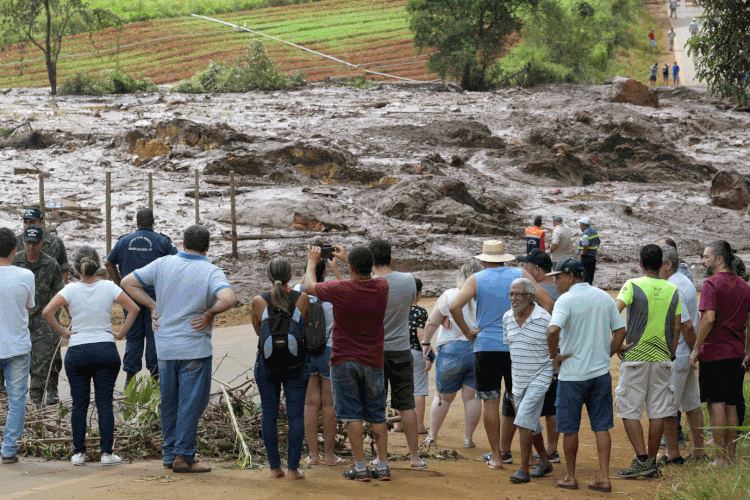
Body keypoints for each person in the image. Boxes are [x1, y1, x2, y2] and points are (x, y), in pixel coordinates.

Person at [121, 225, 236, 473]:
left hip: (165, 347)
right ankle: (184, 456)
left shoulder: (163, 264)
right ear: (207, 247)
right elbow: (228, 298)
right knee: (190, 404)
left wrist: (152, 306)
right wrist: (209, 312)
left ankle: (169, 452)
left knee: (170, 402)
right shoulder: (210, 271)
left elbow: (127, 282)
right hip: (194, 347)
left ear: (183, 244)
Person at [449, 240, 553, 470]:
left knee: (490, 403)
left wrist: (468, 332)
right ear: (505, 258)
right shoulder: (521, 274)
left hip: (486, 346)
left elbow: (454, 306)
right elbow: (547, 302)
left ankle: (497, 456)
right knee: (522, 403)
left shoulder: (476, 279)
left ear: (483, 260)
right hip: (517, 347)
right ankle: (534, 457)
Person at [42, 247, 140, 467]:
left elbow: (47, 311)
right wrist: (121, 333)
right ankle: (107, 453)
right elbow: (133, 308)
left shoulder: (70, 289)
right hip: (106, 349)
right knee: (105, 402)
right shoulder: (108, 286)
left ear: (76, 268)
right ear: (97, 265)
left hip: (78, 351)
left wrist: (63, 331)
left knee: (79, 404)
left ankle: (79, 453)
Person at [303, 245, 390, 482]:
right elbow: (370, 273)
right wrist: (346, 259)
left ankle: (360, 466)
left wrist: (312, 261)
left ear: (350, 268)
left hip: (343, 359)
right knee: (377, 414)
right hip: (373, 360)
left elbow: (309, 287)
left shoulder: (341, 289)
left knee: (352, 415)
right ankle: (383, 465)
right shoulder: (382, 286)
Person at [546, 258, 627, 493]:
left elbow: (552, 330)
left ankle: (570, 477)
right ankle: (603, 477)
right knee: (601, 426)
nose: (556, 281)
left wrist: (555, 356)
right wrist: (608, 352)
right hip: (599, 373)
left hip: (572, 376)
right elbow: (620, 330)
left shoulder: (565, 300)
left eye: (558, 277)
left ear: (571, 276)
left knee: (569, 428)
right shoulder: (603, 296)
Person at [615, 244, 682, 479]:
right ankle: (650, 461)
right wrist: (671, 353)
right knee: (657, 411)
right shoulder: (673, 290)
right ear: (660, 263)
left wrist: (618, 343)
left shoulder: (632, 285)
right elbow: (677, 327)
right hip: (663, 358)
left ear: (641, 263)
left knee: (629, 410)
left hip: (635, 355)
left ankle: (642, 459)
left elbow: (615, 311)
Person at [690, 240, 750, 468]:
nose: (703, 261)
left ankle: (720, 458)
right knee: (732, 405)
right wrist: (748, 350)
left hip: (715, 352)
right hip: (736, 353)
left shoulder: (711, 284)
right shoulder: (744, 286)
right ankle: (731, 458)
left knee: (716, 404)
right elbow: (749, 322)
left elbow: (709, 318)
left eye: (706, 257)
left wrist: (696, 348)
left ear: (719, 259)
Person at [368, 239, 426, 470]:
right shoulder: (409, 280)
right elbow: (412, 302)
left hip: (376, 352)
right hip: (402, 350)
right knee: (406, 404)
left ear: (371, 261)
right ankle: (414, 457)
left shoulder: (369, 285)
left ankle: (382, 458)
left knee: (377, 406)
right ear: (391, 258)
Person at [251, 257, 310, 480]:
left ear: (268, 275)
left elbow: (259, 332)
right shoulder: (302, 298)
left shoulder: (258, 301)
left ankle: (275, 468)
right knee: (295, 415)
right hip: (297, 363)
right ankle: (293, 469)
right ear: (290, 275)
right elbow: (303, 326)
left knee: (269, 413)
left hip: (267, 363)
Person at [106, 208, 178, 388]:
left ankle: (130, 381)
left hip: (132, 297)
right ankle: (155, 382)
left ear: (136, 222)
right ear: (153, 221)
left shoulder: (124, 241)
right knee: (155, 335)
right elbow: (177, 263)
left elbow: (109, 262)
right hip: (155, 298)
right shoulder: (163, 241)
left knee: (133, 336)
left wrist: (120, 284)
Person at [421, 261, 484, 449]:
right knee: (472, 397)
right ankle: (468, 438)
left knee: (443, 397)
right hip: (478, 349)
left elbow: (432, 322)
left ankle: (432, 436)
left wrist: (426, 343)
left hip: (450, 350)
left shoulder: (449, 295)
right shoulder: (485, 297)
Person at [657, 245, 705, 465]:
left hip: (680, 354)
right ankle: (698, 451)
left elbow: (686, 325)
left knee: (668, 406)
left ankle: (673, 454)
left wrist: (694, 350)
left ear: (668, 265)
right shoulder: (683, 281)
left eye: (659, 264)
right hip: (686, 354)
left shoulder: (673, 286)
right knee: (691, 404)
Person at [295, 259, 345, 467]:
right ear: (325, 271)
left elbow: (303, 282)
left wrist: (311, 262)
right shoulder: (333, 290)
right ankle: (330, 455)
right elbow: (349, 289)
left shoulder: (299, 291)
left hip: (305, 350)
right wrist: (335, 269)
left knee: (309, 403)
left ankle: (313, 455)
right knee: (329, 404)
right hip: (329, 349)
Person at [502, 278, 553, 484]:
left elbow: (557, 344)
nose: (514, 298)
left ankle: (523, 469)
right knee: (530, 423)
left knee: (523, 419)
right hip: (518, 379)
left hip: (541, 375)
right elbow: (511, 345)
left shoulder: (544, 318)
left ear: (531, 297)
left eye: (518, 294)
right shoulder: (506, 318)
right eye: (511, 294)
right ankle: (545, 462)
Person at [12, 225, 64, 407]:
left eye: (35, 242)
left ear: (42, 242)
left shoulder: (51, 265)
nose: (31, 246)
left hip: (42, 320)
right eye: (28, 242)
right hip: (18, 318)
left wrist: (62, 315)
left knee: (42, 360)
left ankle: (38, 397)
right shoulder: (14, 263)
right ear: (23, 243)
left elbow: (61, 293)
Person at [521, 249, 561, 464]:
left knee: (532, 404)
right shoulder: (561, 289)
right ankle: (552, 449)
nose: (525, 272)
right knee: (552, 407)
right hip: (558, 355)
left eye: (527, 268)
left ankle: (535, 452)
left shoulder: (533, 294)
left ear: (536, 269)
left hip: (537, 356)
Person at [0, 227, 35, 465]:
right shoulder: (26, 276)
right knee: (17, 400)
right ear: (16, 249)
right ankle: (8, 448)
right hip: (17, 347)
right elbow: (30, 306)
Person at [15, 207, 70, 283]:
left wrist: (63, 292)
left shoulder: (55, 243)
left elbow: (64, 270)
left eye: (32, 222)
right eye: (25, 222)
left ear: (42, 223)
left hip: (47, 290)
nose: (27, 226)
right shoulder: (16, 241)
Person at [407, 278, 432, 435]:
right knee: (419, 389)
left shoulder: (394, 309)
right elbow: (421, 335)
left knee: (400, 388)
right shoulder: (420, 312)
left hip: (396, 351)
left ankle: (399, 424)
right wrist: (429, 356)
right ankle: (418, 425)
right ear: (418, 293)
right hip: (415, 351)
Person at [577, 217, 599, 285]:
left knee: (585, 277)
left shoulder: (585, 233)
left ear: (583, 224)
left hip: (586, 257)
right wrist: (594, 250)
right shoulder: (594, 231)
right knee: (590, 277)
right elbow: (598, 242)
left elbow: (586, 244)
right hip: (592, 257)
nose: (579, 225)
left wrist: (583, 252)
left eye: (580, 224)